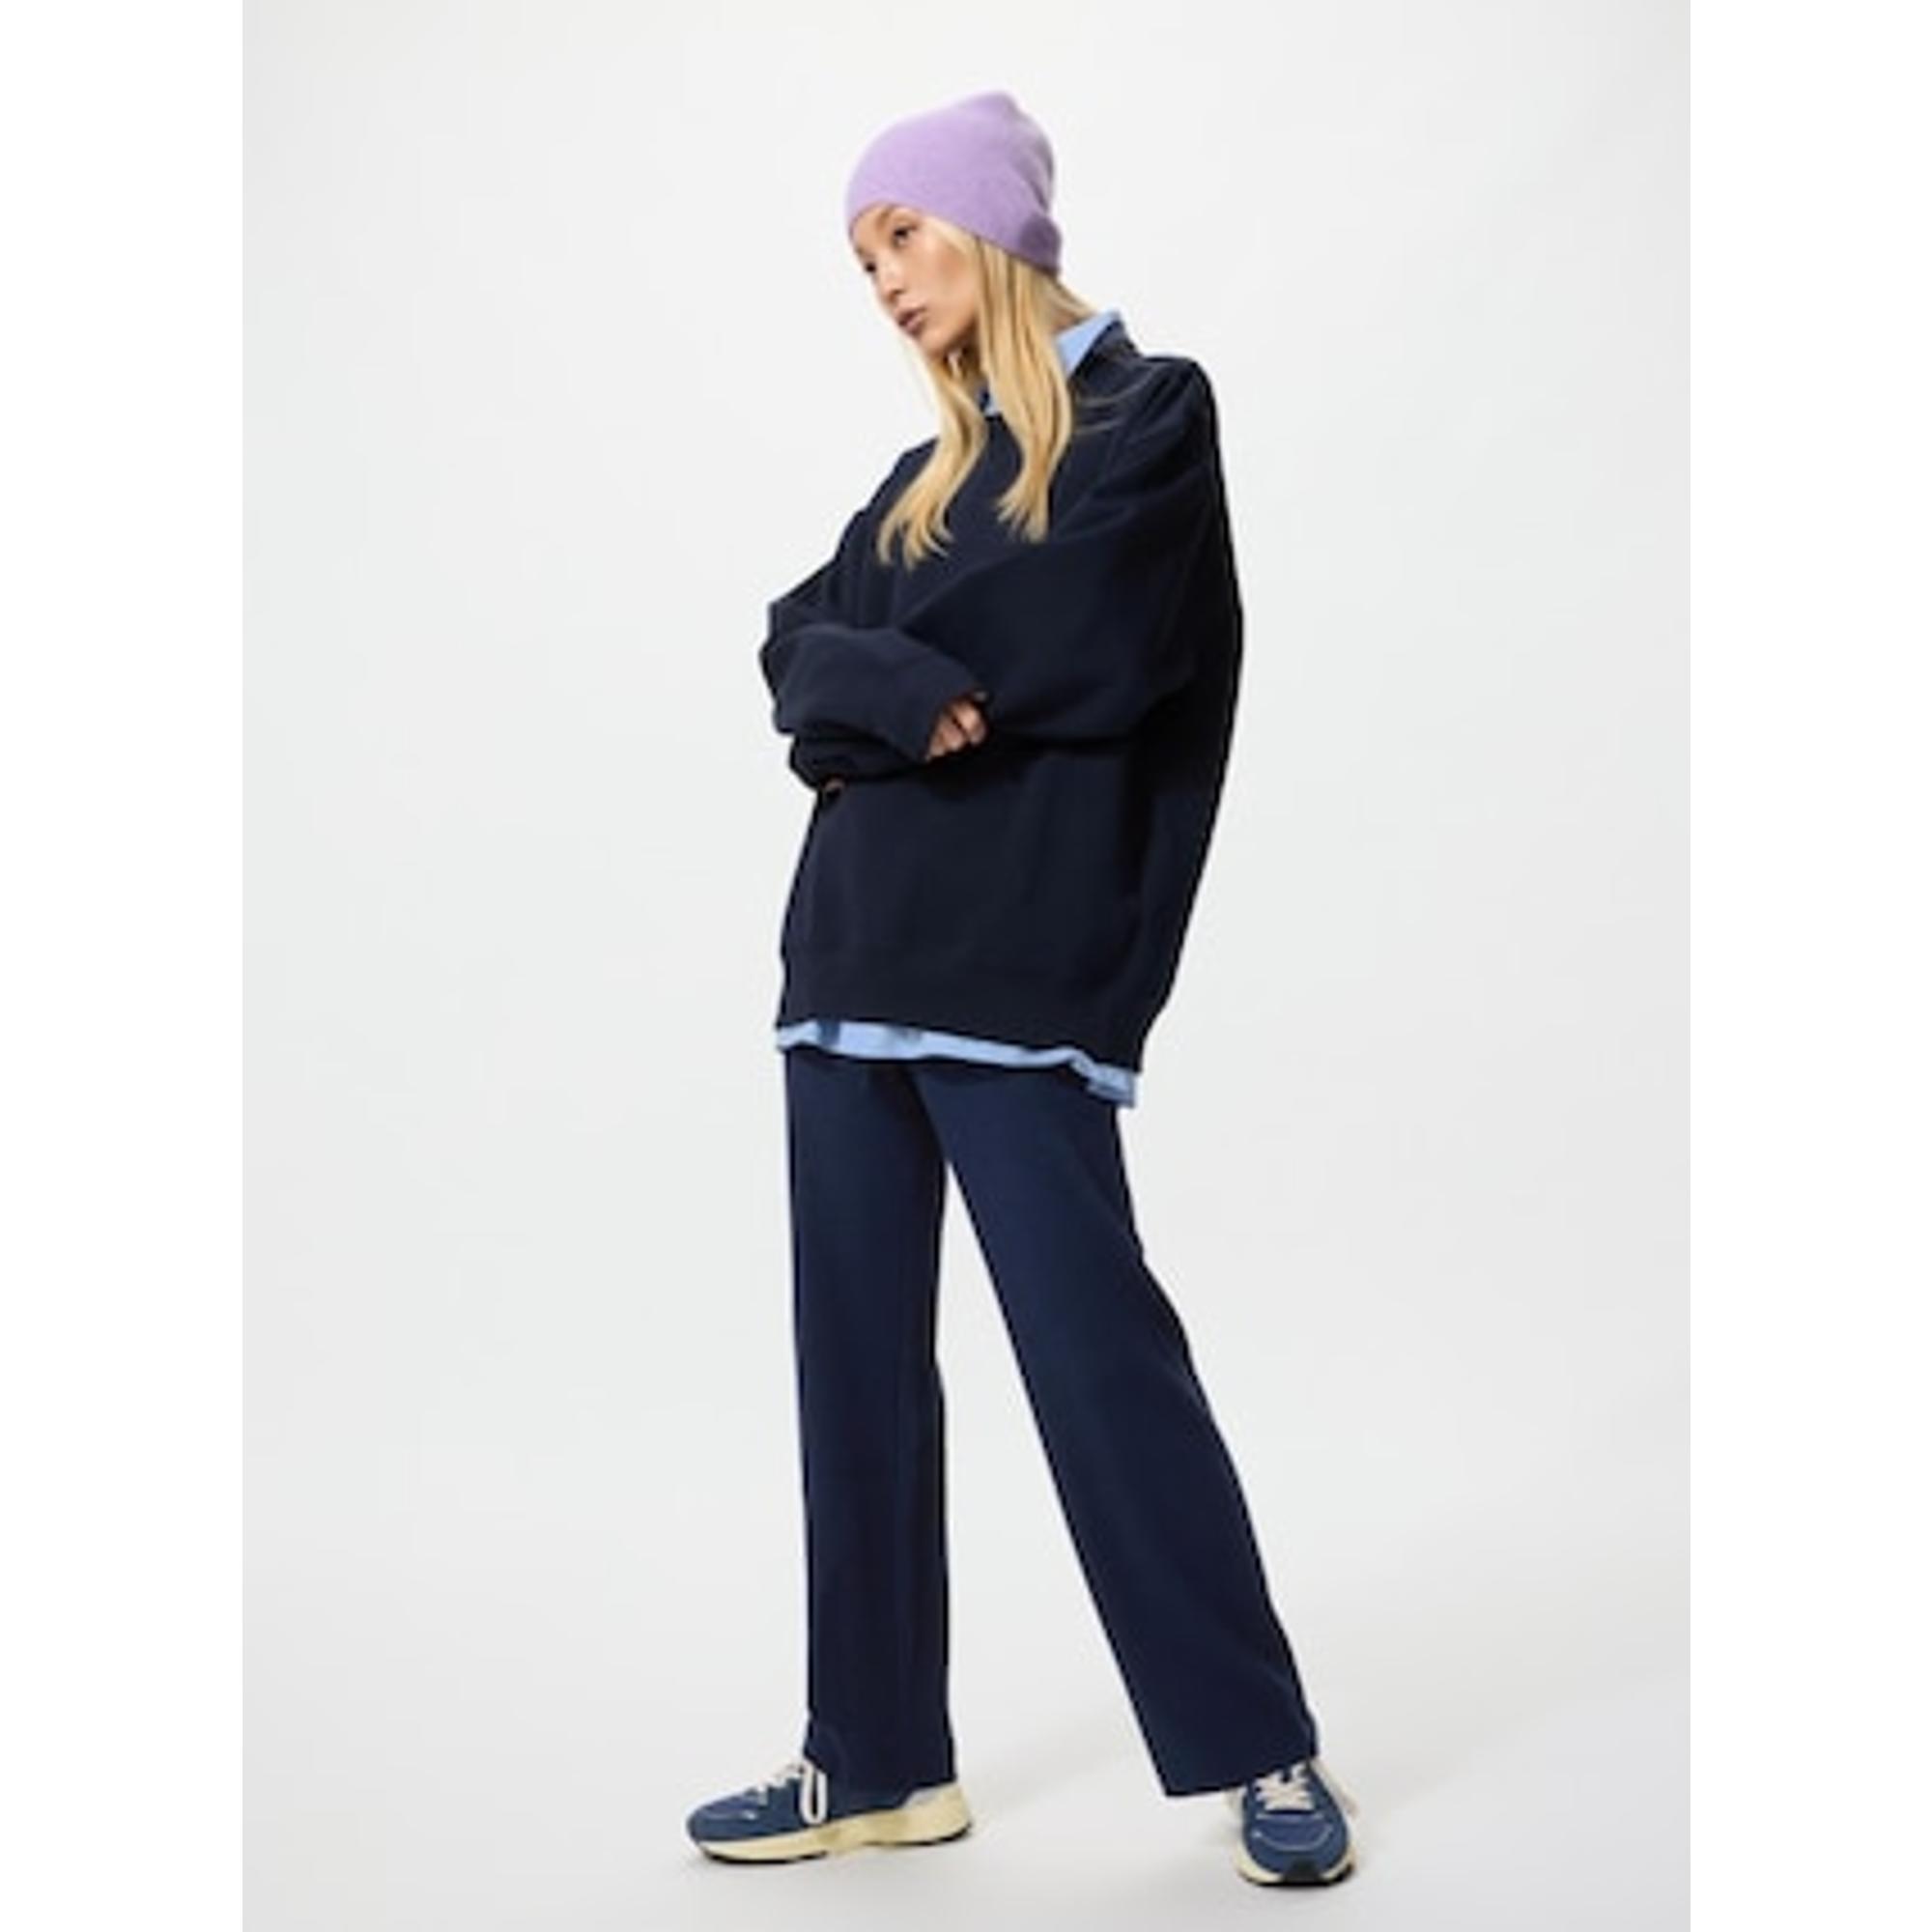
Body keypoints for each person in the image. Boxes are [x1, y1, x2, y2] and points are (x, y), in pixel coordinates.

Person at [685, 89, 1359, 1889]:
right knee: (855, 1382)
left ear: (992, 225)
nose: (886, 283)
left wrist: (879, 685)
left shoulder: (1150, 419)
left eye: (903, 236)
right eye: (863, 260)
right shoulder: (921, 485)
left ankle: (1261, 1747)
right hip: (846, 961)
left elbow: (1093, 644)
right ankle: (874, 1761)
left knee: (1097, 1362)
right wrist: (894, 692)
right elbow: (789, 644)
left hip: (1019, 973)